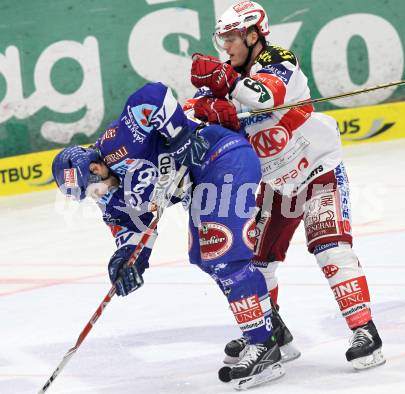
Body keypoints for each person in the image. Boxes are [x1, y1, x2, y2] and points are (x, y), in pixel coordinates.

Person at [189, 0, 385, 370]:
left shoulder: (279, 59)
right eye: (221, 39)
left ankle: (365, 332)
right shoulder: (227, 75)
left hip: (318, 170)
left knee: (331, 250)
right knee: (255, 263)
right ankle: (272, 334)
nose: (225, 47)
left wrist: (226, 86)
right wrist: (202, 110)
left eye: (231, 38)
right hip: (276, 184)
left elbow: (265, 96)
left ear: (253, 35)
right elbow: (196, 112)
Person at [51, 81, 286, 389]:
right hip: (204, 183)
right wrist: (126, 260)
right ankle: (271, 331)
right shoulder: (111, 197)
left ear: (96, 166)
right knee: (205, 258)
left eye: (91, 188)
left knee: (222, 254)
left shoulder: (117, 143)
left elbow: (152, 96)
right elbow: (131, 230)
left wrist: (180, 139)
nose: (95, 196)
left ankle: (264, 346)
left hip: (223, 156)